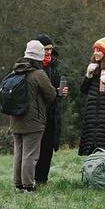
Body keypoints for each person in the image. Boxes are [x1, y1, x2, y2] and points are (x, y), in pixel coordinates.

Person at [7, 38, 59, 192]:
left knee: (19, 154)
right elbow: (51, 95)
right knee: (30, 155)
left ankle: (18, 185)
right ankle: (29, 185)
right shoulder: (38, 74)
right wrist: (57, 91)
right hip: (33, 121)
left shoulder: (15, 71)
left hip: (16, 119)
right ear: (38, 56)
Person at [32, 33, 68, 185]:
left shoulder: (55, 65)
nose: (48, 52)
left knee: (47, 147)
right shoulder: (33, 66)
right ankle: (31, 178)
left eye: (50, 49)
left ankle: (42, 179)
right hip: (37, 113)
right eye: (46, 49)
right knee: (34, 149)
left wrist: (62, 93)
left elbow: (56, 87)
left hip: (52, 113)